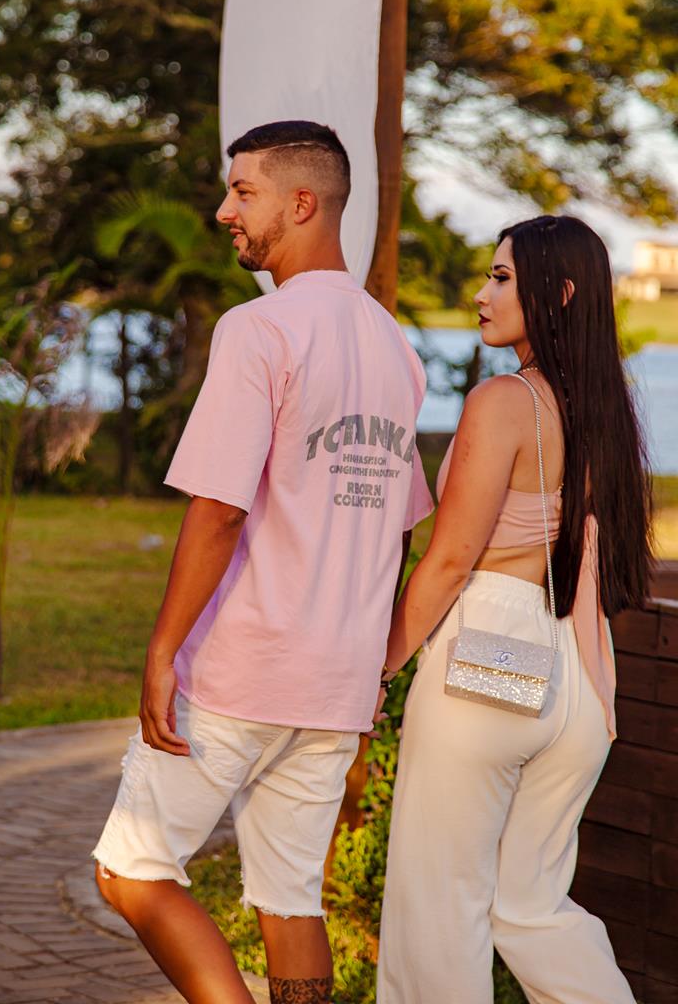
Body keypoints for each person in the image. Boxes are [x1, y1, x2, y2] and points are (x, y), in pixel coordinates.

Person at [93, 119, 433, 1004]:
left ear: (303, 203)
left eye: (243, 192)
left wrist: (163, 650)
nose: (224, 211)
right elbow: (396, 530)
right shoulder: (395, 346)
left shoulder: (259, 329)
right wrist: (367, 666)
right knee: (290, 901)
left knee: (131, 870)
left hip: (241, 670)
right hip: (334, 682)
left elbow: (218, 509)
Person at [376, 215, 652, 1004]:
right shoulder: (605, 411)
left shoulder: (504, 401)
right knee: (531, 910)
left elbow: (450, 561)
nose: (480, 293)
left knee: (438, 906)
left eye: (501, 278)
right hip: (579, 670)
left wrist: (376, 670)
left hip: (492, 654)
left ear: (557, 293)